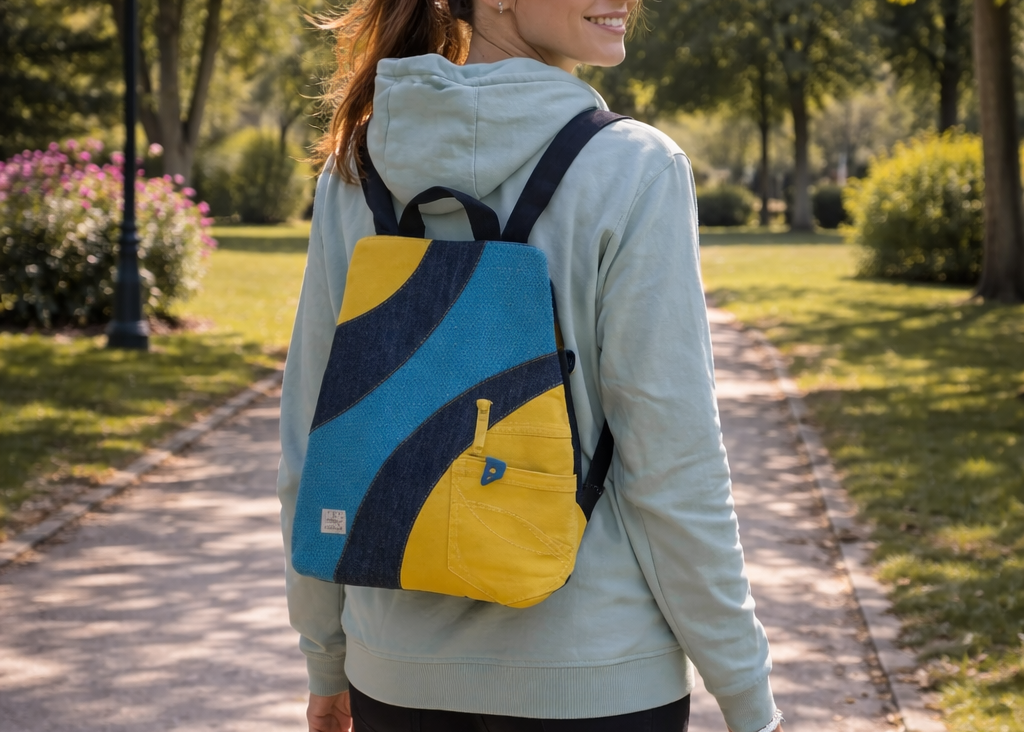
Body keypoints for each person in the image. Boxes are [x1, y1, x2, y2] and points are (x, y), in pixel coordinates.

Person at [277, 1, 785, 731]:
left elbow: (314, 439)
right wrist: (746, 694)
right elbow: (673, 468)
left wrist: (326, 653)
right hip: (596, 672)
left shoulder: (358, 168)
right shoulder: (634, 168)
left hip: (395, 673)